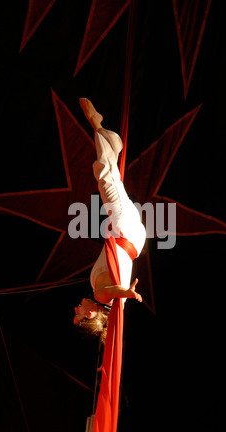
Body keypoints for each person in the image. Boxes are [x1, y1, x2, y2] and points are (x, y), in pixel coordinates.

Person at [73, 98, 146, 343]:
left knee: (111, 177)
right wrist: (127, 292)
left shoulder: (104, 298)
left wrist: (125, 295)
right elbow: (114, 291)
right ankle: (97, 124)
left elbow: (115, 292)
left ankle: (111, 143)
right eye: (79, 315)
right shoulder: (102, 296)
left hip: (129, 235)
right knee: (105, 177)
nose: (76, 310)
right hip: (126, 232)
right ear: (91, 315)